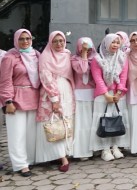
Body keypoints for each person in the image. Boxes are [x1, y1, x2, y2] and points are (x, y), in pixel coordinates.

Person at [0, 29, 40, 176]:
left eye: (28, 38)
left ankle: (29, 160)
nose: (25, 41)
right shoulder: (9, 57)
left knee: (30, 134)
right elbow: (5, 81)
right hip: (16, 100)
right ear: (16, 40)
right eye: (21, 39)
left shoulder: (36, 55)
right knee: (17, 134)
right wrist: (7, 101)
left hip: (34, 98)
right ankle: (21, 165)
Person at [35, 31, 74, 172]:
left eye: (61, 41)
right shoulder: (45, 56)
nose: (59, 44)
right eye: (55, 41)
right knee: (52, 122)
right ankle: (61, 156)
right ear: (50, 42)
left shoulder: (67, 54)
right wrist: (54, 99)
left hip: (66, 90)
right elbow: (46, 78)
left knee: (65, 121)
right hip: (51, 92)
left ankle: (65, 151)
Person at [90, 34, 131, 161]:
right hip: (103, 95)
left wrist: (118, 93)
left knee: (116, 120)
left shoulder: (122, 57)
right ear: (106, 43)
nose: (115, 45)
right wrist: (106, 94)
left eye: (117, 43)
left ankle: (115, 146)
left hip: (118, 95)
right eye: (112, 42)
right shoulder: (97, 59)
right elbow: (97, 78)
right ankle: (105, 149)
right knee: (104, 121)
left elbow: (123, 77)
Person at [71, 37, 96, 160]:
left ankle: (94, 148)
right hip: (80, 95)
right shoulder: (74, 59)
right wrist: (84, 55)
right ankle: (82, 151)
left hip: (93, 94)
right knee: (82, 124)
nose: (86, 50)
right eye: (83, 48)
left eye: (88, 48)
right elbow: (82, 69)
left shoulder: (95, 59)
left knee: (92, 123)